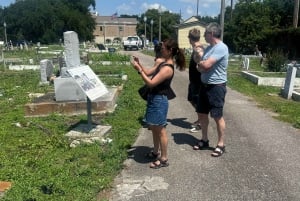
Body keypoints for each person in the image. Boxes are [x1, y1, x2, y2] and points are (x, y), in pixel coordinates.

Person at [131, 38, 186, 168]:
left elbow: (151, 82)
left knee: (160, 130)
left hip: (159, 100)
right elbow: (149, 72)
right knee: (154, 128)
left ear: (170, 50)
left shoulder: (167, 69)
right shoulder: (162, 63)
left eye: (163, 49)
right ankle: (156, 152)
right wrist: (140, 66)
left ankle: (164, 158)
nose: (161, 50)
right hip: (153, 98)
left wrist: (139, 70)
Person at [193, 22, 229, 157]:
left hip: (216, 87)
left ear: (212, 34)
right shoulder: (208, 48)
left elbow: (206, 65)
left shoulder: (221, 48)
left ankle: (221, 144)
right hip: (205, 85)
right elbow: (199, 67)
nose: (203, 36)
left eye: (205, 34)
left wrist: (201, 64)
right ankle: (204, 139)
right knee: (202, 114)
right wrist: (200, 62)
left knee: (217, 116)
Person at [187, 28, 205, 133]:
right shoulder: (195, 48)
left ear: (190, 38)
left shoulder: (199, 49)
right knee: (191, 99)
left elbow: (203, 62)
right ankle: (200, 119)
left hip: (198, 82)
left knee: (197, 102)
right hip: (193, 81)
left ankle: (201, 123)